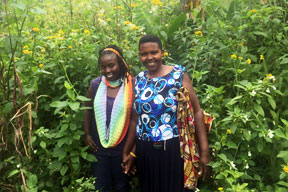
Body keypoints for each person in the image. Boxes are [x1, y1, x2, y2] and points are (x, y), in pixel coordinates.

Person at [122, 35, 210, 192]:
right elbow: (136, 120)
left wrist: (204, 151)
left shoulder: (177, 75)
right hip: (145, 151)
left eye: (154, 52)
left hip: (173, 148)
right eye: (144, 54)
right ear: (139, 56)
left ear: (162, 52)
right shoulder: (140, 79)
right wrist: (128, 152)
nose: (149, 57)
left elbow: (197, 112)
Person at [83, 45, 133, 192]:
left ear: (121, 63)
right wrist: (87, 134)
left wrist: (131, 151)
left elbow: (136, 119)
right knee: (101, 186)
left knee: (122, 186)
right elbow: (86, 108)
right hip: (99, 148)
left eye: (111, 66)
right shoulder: (96, 84)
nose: (107, 71)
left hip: (123, 149)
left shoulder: (131, 85)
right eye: (103, 67)